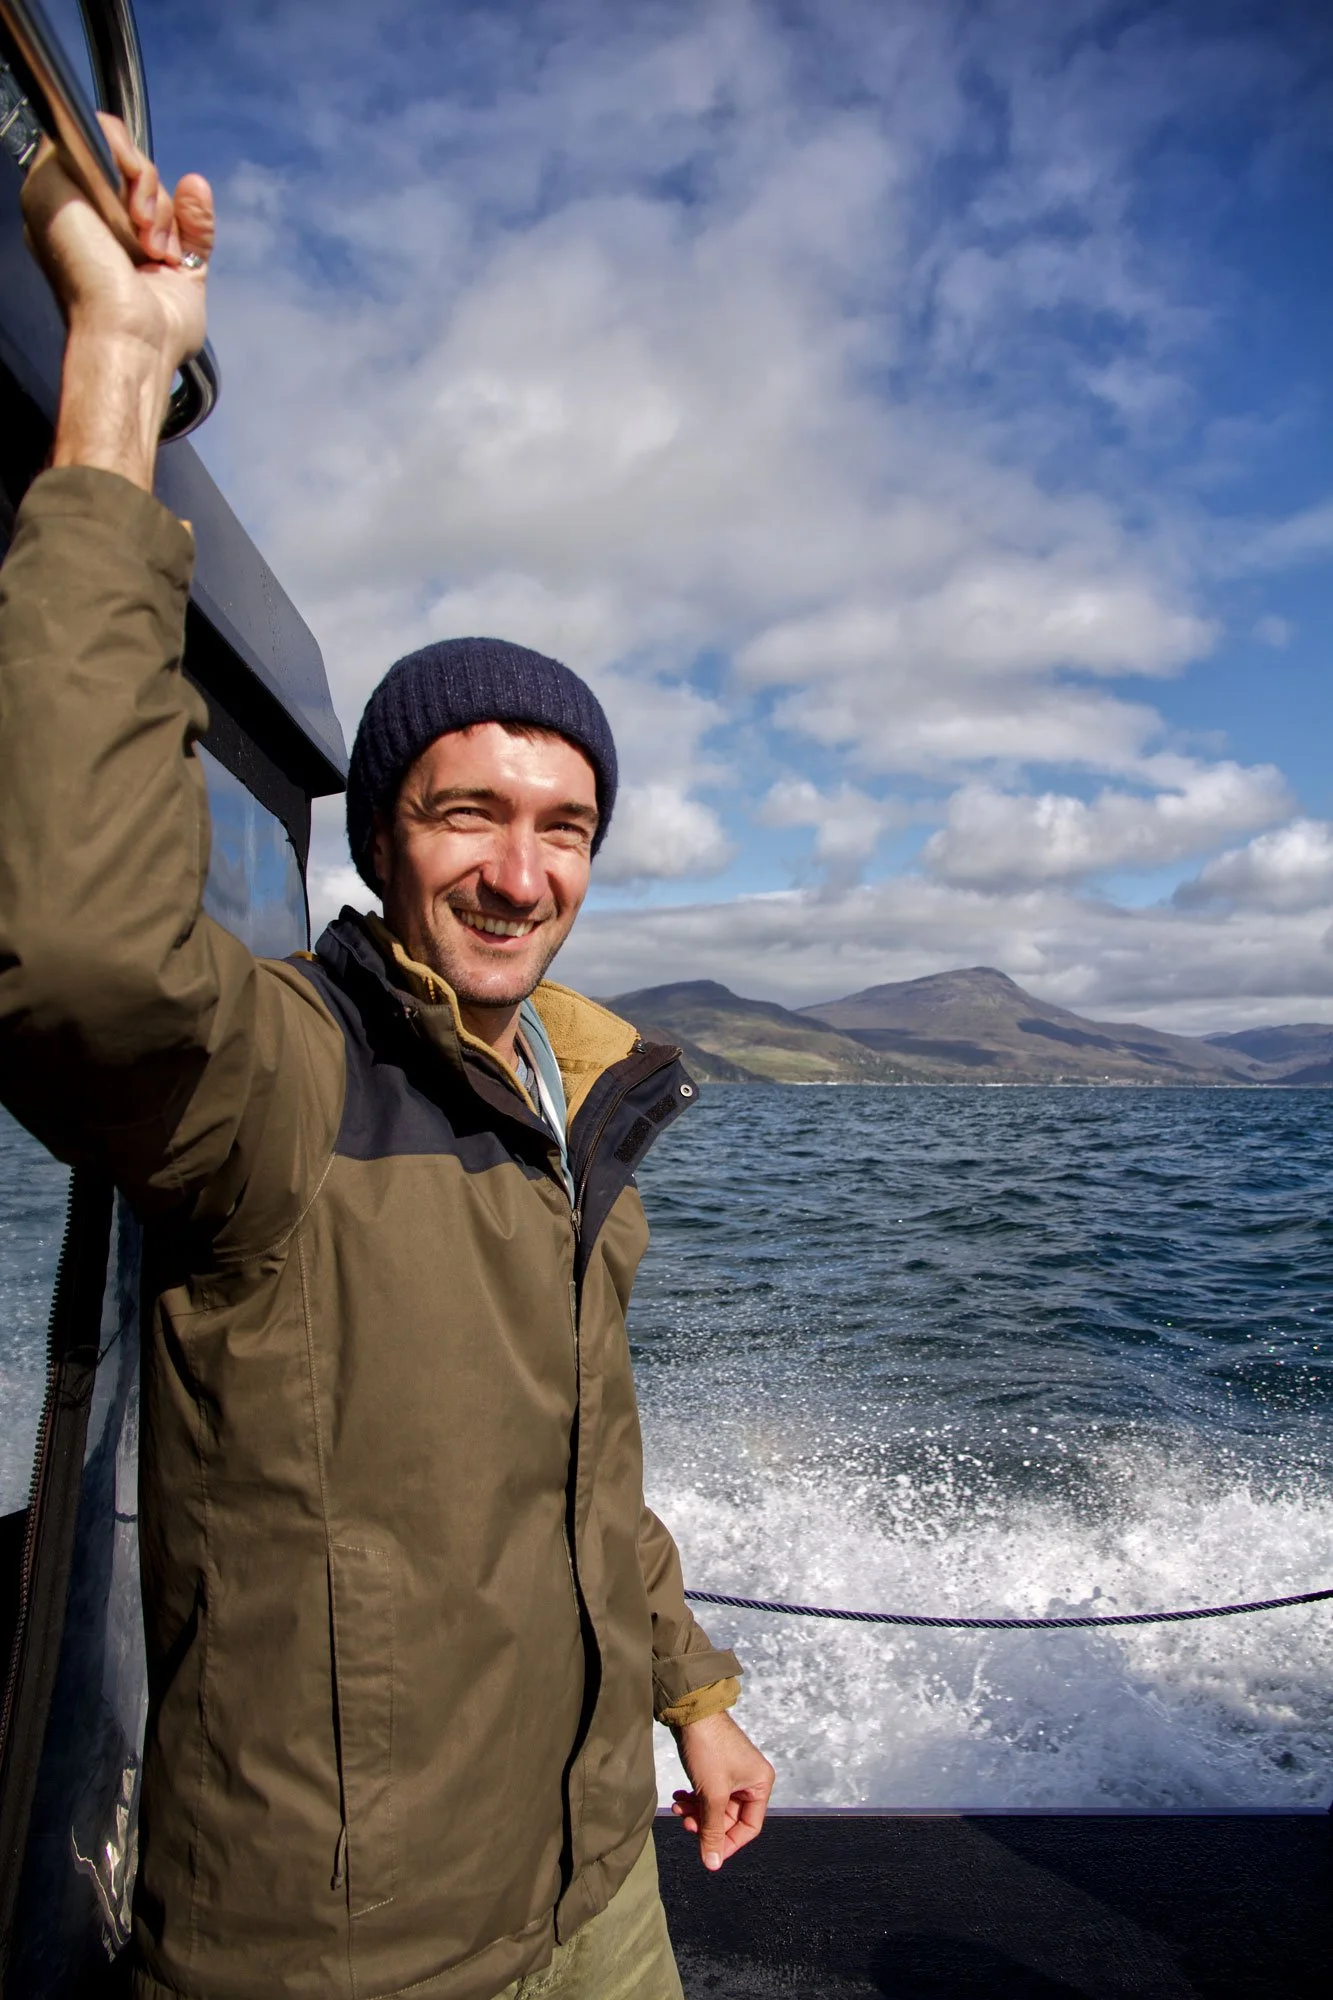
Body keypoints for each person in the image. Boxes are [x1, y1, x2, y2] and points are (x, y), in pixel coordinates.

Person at [0, 119, 774, 2000]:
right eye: (469, 817)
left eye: (566, 827)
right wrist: (112, 376)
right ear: (382, 843)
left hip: (593, 1890)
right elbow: (87, 958)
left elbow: (579, 1470)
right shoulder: (279, 1078)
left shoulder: (576, 1103)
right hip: (341, 1952)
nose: (522, 875)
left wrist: (691, 1695)